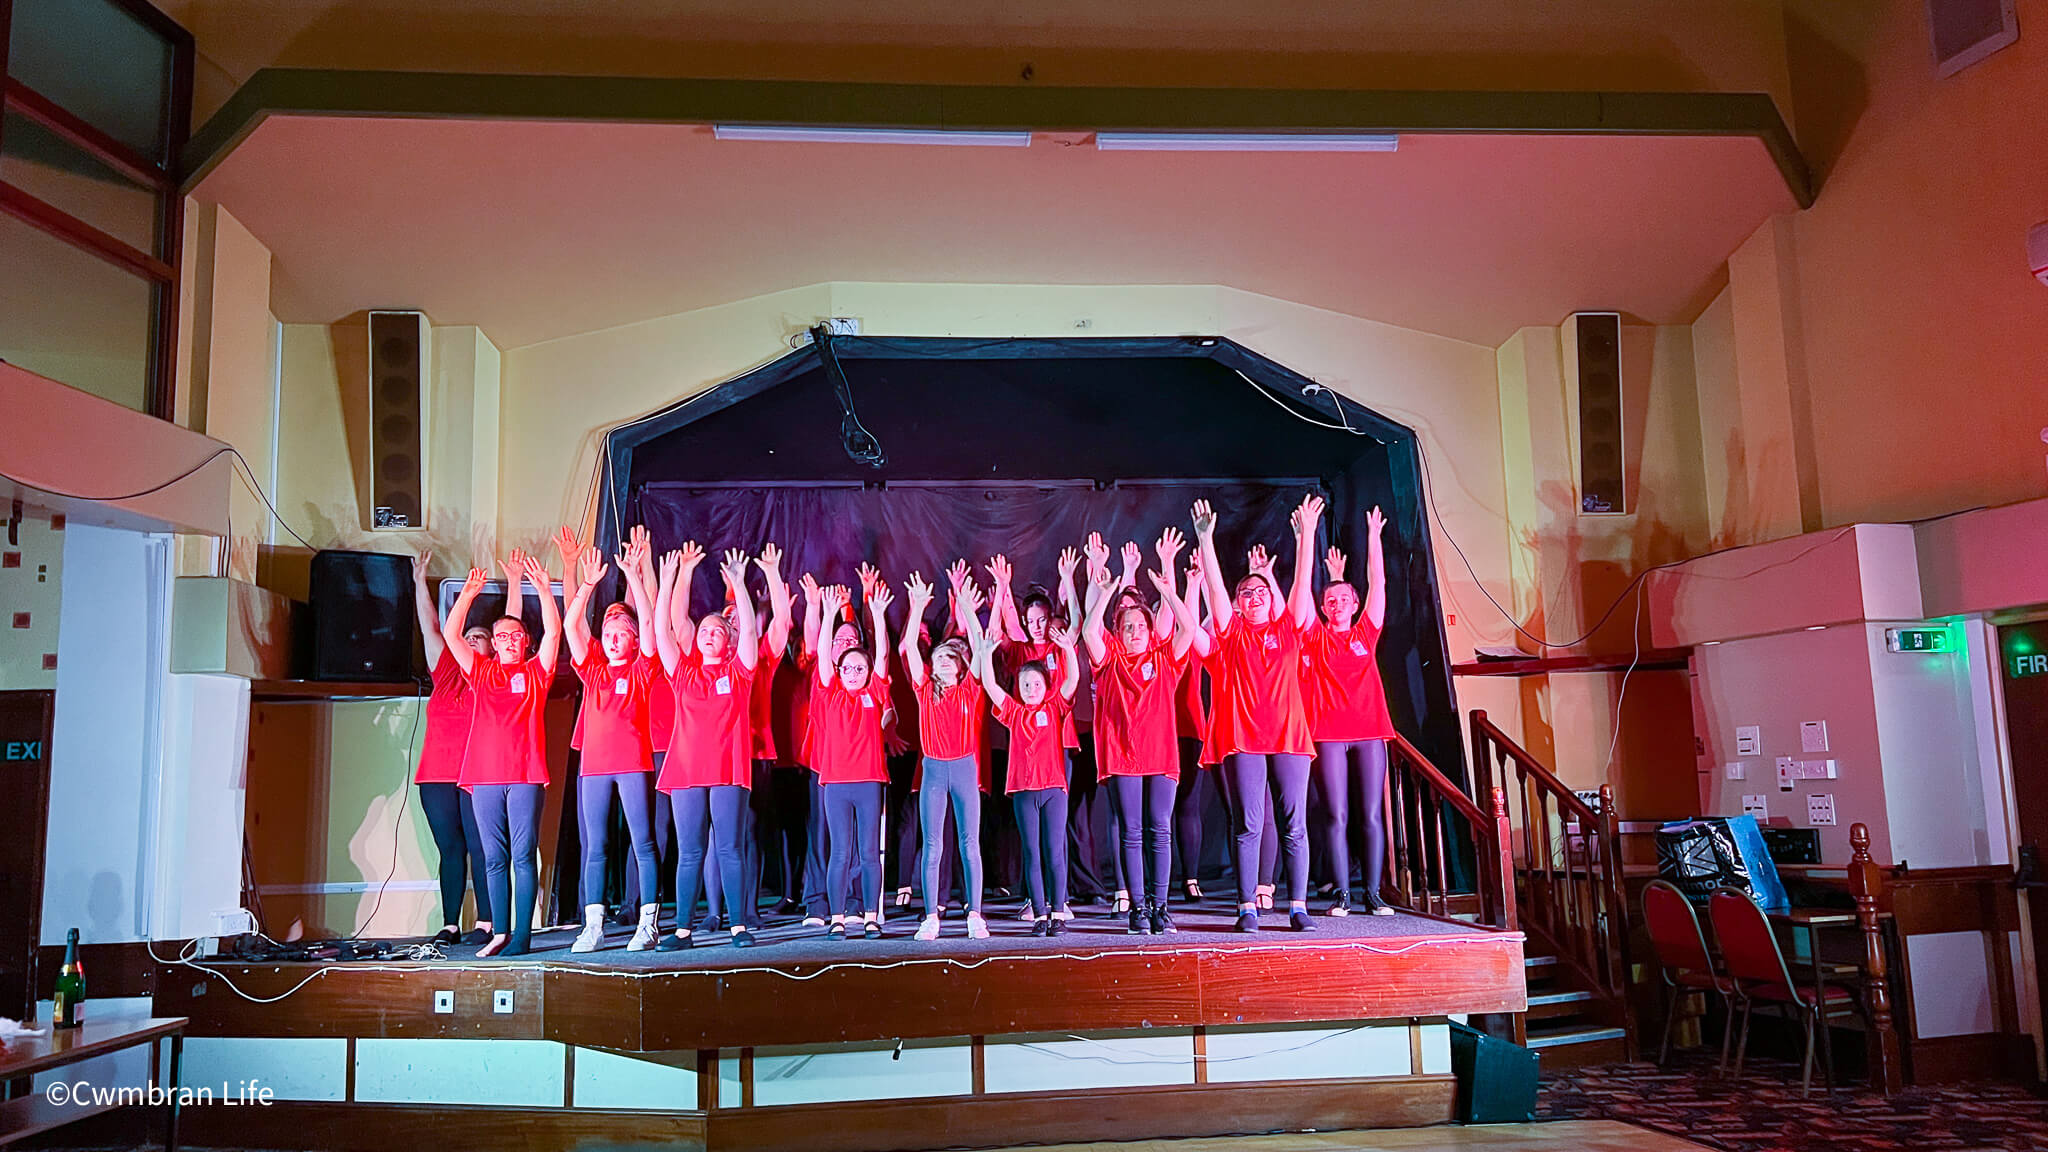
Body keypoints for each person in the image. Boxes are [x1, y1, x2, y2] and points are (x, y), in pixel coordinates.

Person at [1192, 494, 1324, 933]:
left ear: (1272, 598)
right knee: (1248, 824)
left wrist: (1305, 538)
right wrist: (1206, 541)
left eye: (1260, 591)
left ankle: (1298, 906)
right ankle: (1246, 906)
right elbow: (1213, 590)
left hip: (1289, 738)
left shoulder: (1288, 629)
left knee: (1294, 825)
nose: (1253, 597)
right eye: (1245, 593)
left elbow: (1303, 587)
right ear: (1238, 601)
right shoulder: (1230, 633)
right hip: (1244, 740)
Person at [1081, 532, 1204, 935]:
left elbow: (1187, 631)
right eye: (1127, 626)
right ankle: (1137, 906)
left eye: (1140, 625)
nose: (1134, 631)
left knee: (1159, 828)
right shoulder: (1108, 660)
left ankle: (1160, 905)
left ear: (1151, 632)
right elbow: (1089, 633)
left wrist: (1171, 593)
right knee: (1131, 832)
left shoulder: (1165, 660)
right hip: (1123, 757)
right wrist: (1102, 594)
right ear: (1118, 633)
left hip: (1161, 756)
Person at [442, 549, 563, 957]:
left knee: (523, 856)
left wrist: (544, 592)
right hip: (485, 776)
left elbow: (554, 634)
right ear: (493, 644)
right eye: (502, 637)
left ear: (524, 642)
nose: (510, 642)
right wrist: (468, 595)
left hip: (526, 774)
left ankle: (522, 937)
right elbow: (451, 635)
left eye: (516, 636)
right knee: (493, 858)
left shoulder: (536, 672)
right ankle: (499, 931)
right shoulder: (481, 670)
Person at [652, 546, 763, 948]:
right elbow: (663, 630)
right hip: (685, 772)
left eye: (718, 629)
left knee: (730, 848)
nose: (710, 633)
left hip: (728, 771)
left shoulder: (739, 672)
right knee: (690, 851)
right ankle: (683, 929)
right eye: (704, 630)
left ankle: (738, 926)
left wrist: (737, 583)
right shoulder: (682, 673)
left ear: (728, 639)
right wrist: (667, 582)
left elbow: (749, 631)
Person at [562, 531, 664, 953]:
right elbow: (572, 624)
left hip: (634, 764)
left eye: (622, 630)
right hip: (594, 769)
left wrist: (634, 576)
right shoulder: (595, 671)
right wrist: (587, 584)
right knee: (596, 846)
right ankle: (594, 924)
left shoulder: (642, 669)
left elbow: (655, 628)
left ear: (634, 639)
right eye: (608, 630)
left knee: (643, 842)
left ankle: (648, 923)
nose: (613, 635)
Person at [408, 548, 515, 946]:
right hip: (436, 774)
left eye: (480, 638)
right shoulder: (446, 674)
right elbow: (429, 627)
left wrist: (516, 583)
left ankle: (488, 922)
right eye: (468, 635)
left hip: (476, 776)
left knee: (481, 846)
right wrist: (420, 581)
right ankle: (450, 924)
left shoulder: (493, 679)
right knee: (451, 849)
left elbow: (511, 629)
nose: (471, 640)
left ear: (490, 649)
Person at [1304, 509, 1397, 917]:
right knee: (1336, 814)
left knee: (1371, 814)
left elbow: (1379, 580)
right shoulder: (1315, 636)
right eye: (1331, 600)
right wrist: (1306, 534)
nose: (1337, 604)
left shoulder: (1366, 632)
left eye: (1344, 599)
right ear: (1324, 607)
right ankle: (1342, 893)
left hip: (1370, 731)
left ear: (1355, 604)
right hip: (1329, 735)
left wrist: (1373, 535)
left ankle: (1373, 893)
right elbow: (1299, 594)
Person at [901, 569, 992, 941]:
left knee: (971, 843)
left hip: (965, 770)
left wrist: (968, 610)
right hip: (935, 772)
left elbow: (980, 645)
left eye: (948, 658)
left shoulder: (971, 689)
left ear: (959, 665)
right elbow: (909, 646)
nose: (940, 661)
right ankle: (931, 917)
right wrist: (919, 607)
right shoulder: (924, 689)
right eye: (936, 657)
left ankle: (975, 914)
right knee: (933, 845)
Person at [976, 618, 1080, 937]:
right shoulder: (1015, 713)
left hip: (1053, 790)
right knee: (1032, 852)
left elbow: (1072, 678)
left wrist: (1067, 651)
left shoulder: (1055, 706)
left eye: (1036, 684)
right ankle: (1039, 913)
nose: (1031, 690)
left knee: (1054, 850)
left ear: (1046, 686)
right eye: (1025, 685)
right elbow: (992, 688)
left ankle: (1058, 912)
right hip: (1023, 792)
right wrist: (984, 654)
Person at [810, 580, 896, 938]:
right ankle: (838, 918)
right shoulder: (831, 692)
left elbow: (884, 659)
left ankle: (872, 915)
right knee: (840, 853)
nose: (855, 673)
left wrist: (876, 614)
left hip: (869, 782)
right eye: (849, 668)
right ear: (840, 671)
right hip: (836, 783)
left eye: (861, 668)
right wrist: (829, 613)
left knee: (868, 853)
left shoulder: (875, 692)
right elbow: (823, 660)